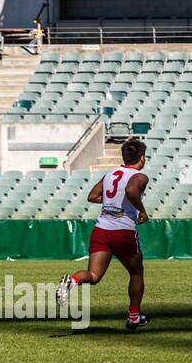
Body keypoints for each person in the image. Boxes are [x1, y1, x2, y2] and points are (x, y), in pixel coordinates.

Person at [57, 139, 151, 330]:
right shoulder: (140, 176)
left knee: (93, 275)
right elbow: (131, 190)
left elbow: (92, 196)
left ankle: (72, 280)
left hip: (101, 230)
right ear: (141, 159)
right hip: (122, 230)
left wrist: (112, 203)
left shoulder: (110, 175)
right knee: (136, 272)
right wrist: (141, 210)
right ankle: (134, 316)